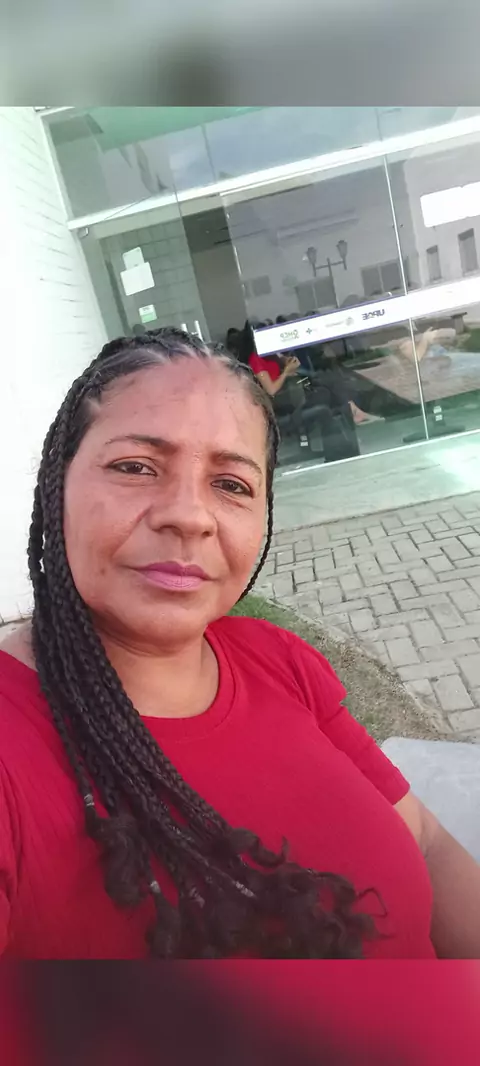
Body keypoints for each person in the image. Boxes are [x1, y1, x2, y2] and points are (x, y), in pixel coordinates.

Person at [0, 326, 479, 960]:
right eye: (136, 467)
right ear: (56, 485)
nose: (189, 515)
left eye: (231, 484)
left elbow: (426, 840)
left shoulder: (275, 658)